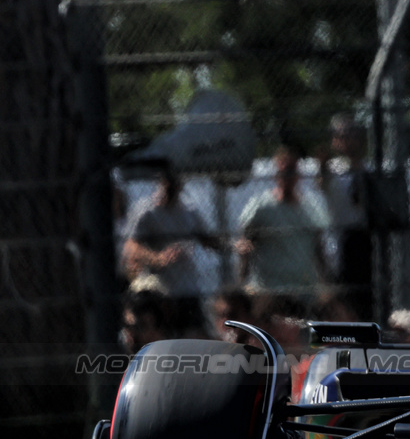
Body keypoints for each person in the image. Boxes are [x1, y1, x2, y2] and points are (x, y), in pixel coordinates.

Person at [121, 167, 218, 334]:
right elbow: (131, 247)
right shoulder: (147, 211)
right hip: (160, 290)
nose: (172, 187)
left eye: (176, 182)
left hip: (188, 289)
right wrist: (157, 258)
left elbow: (208, 239)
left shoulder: (189, 210)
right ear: (161, 183)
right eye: (168, 182)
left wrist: (231, 243)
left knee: (196, 335)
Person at [235, 147, 327, 300]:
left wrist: (325, 284)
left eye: (291, 171)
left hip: (304, 290)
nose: (287, 176)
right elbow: (245, 245)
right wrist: (241, 283)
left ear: (298, 175)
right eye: (283, 171)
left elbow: (319, 249)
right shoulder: (261, 207)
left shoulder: (311, 208)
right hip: (269, 291)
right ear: (276, 175)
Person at [319, 114, 376, 317]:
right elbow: (322, 184)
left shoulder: (370, 169)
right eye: (341, 136)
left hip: (367, 236)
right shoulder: (333, 170)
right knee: (347, 294)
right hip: (342, 238)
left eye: (352, 135)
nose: (347, 141)